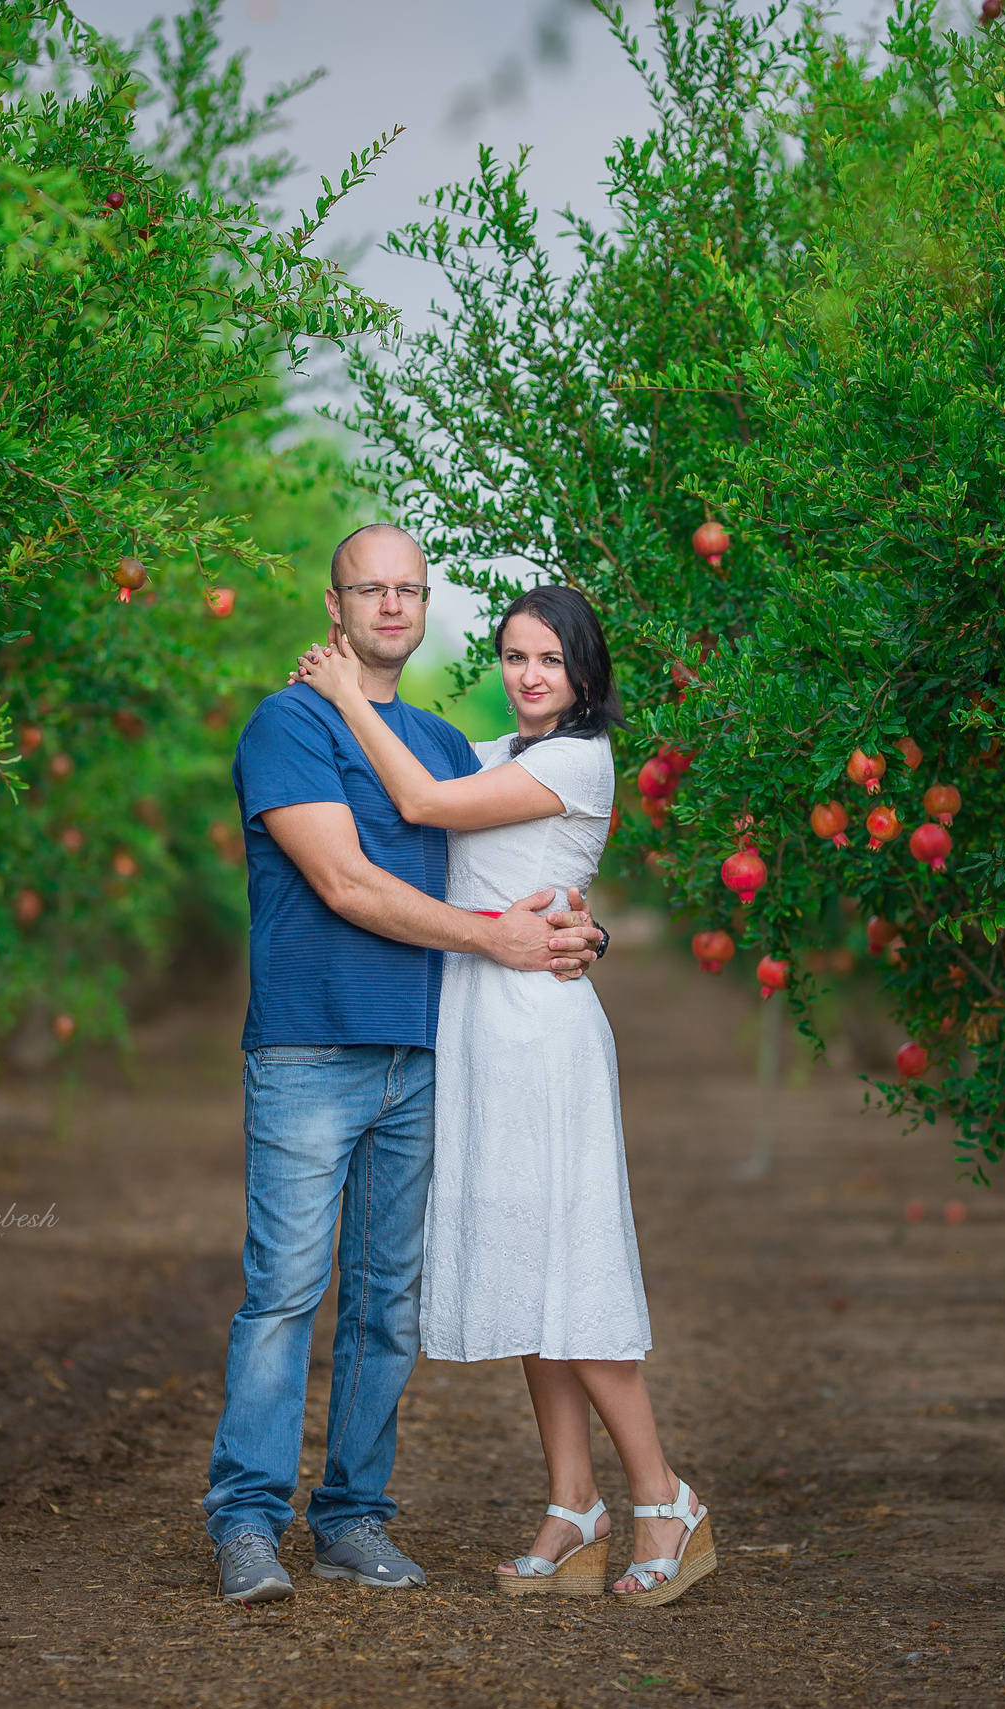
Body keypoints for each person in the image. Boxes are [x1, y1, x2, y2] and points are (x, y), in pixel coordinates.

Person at [291, 582, 713, 1609]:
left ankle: (664, 1497)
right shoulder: (503, 754)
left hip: (540, 1032)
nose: (529, 676)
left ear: (583, 676)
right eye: (515, 656)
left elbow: (422, 803)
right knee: (529, 1275)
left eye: (550, 661)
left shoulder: (574, 758)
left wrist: (346, 693)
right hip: (480, 1025)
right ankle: (573, 1507)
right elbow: (423, 774)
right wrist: (340, 705)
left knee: (571, 1272)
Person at [205, 524, 603, 1605]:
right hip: (309, 1047)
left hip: (425, 1055)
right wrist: (498, 939)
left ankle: (350, 1517)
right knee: (284, 1292)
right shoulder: (287, 723)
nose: (389, 605)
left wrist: (578, 928)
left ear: (425, 608)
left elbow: (524, 846)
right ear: (332, 607)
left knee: (387, 1303)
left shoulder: (437, 742)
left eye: (408, 589)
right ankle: (246, 1520)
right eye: (368, 588)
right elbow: (346, 883)